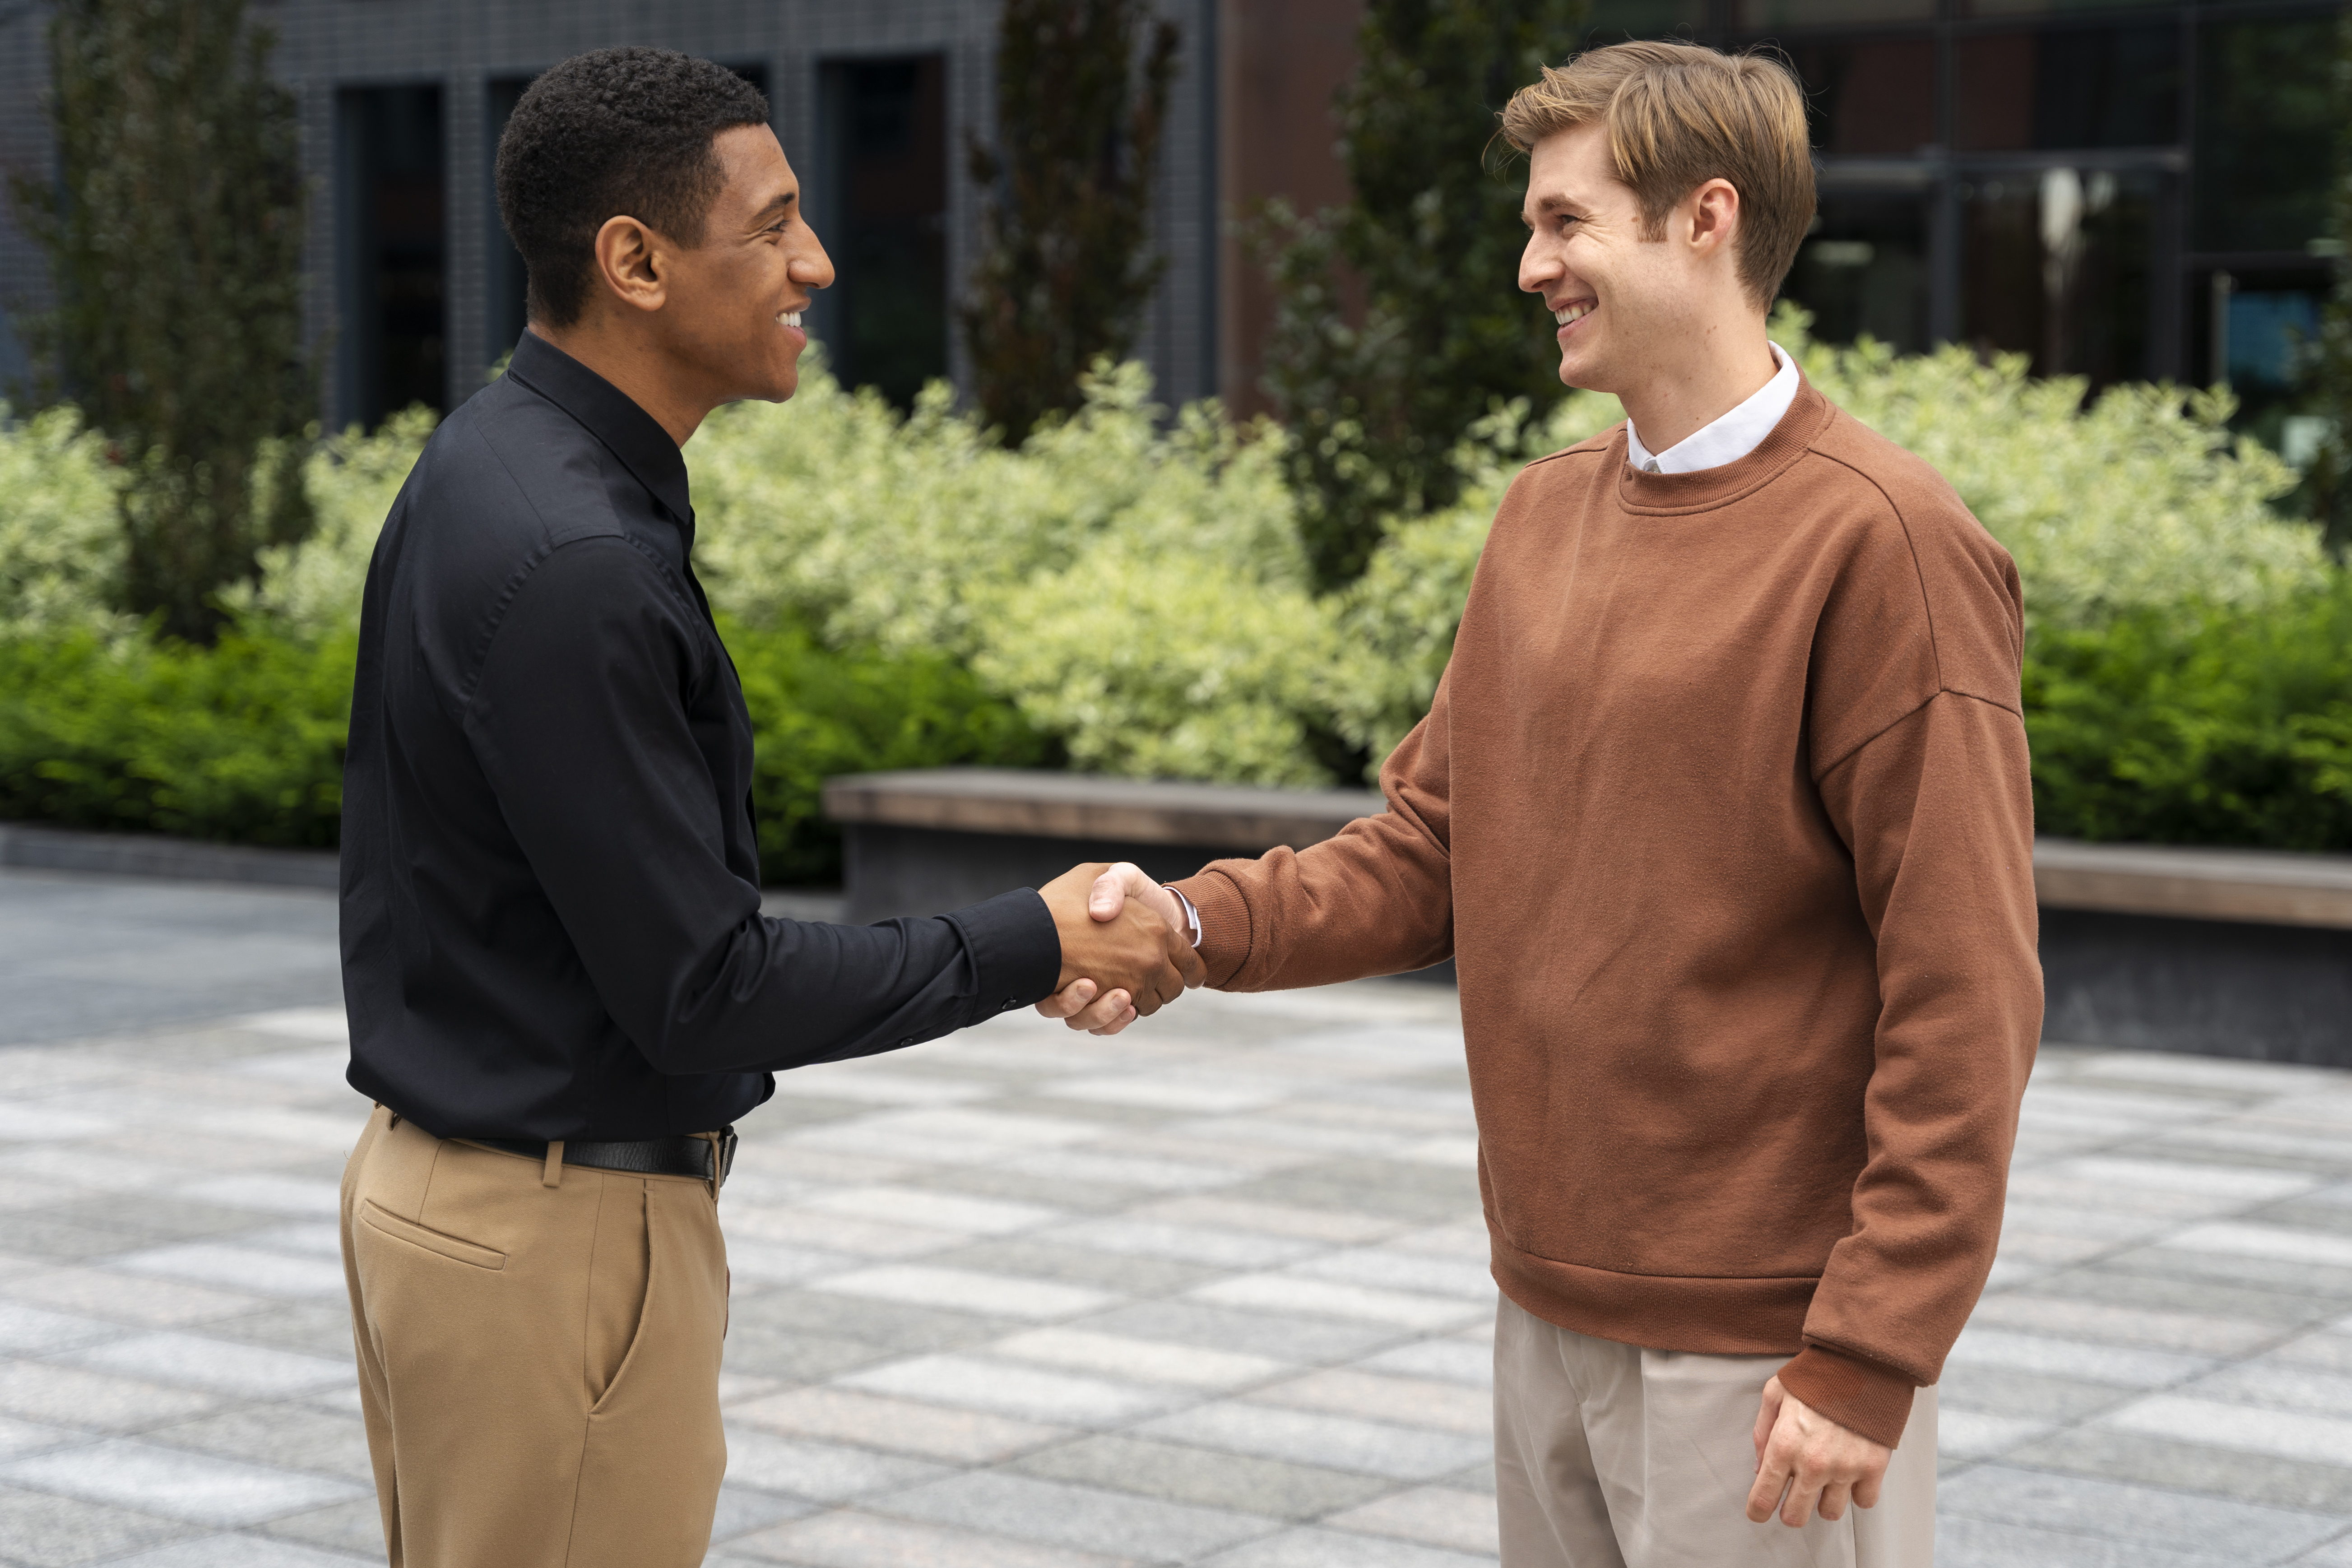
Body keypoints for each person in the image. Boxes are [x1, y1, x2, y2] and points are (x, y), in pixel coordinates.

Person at [1049, 39, 2041, 1567]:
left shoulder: (1887, 545)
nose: (1532, 265)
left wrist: (1870, 1348)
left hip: (1762, 1349)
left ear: (1704, 220)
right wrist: (1189, 923)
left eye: (1566, 222)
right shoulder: (1542, 516)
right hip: (1547, 1303)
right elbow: (1433, 849)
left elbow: (1964, 980)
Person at [335, 47, 1198, 1568]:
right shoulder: (578, 562)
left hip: (462, 1201)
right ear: (636, 261)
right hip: (558, 1241)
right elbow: (706, 987)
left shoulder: (488, 461)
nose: (816, 260)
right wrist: (1033, 932)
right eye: (774, 223)